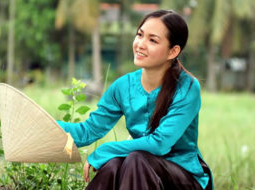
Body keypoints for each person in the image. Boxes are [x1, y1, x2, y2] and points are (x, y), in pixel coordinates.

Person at [57, 9, 213, 190]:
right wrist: (41, 124)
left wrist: (105, 150)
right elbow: (88, 131)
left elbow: (159, 144)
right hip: (139, 171)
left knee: (135, 159)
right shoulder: (123, 86)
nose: (141, 44)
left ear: (173, 51)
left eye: (153, 40)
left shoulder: (187, 88)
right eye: (140, 35)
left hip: (184, 179)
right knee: (114, 165)